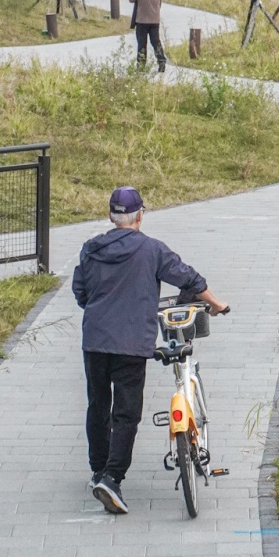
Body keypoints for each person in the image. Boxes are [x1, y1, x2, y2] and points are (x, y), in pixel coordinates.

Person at [72, 186, 229, 515]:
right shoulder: (151, 250)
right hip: (130, 344)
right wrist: (218, 304)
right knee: (126, 414)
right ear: (140, 216)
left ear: (111, 217)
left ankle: (99, 471)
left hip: (95, 341)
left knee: (98, 406)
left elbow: (81, 293)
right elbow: (189, 278)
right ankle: (112, 479)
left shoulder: (90, 249)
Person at [127, 0, 166, 72]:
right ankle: (161, 61)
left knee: (142, 44)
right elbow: (159, 4)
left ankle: (141, 66)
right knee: (156, 42)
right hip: (155, 21)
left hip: (142, 21)